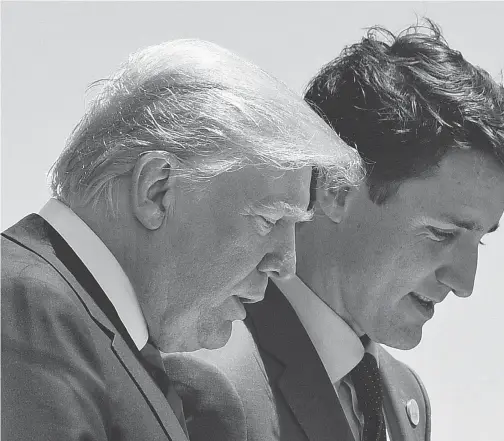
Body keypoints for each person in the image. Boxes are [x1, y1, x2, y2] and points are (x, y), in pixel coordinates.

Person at [166, 21, 504, 441]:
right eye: (442, 233)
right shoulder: (208, 381)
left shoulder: (408, 401)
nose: (465, 283)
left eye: (479, 239)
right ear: (336, 189)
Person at [1, 39, 362, 441]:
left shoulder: (89, 331)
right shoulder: (27, 308)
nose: (286, 263)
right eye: (270, 218)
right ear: (157, 191)